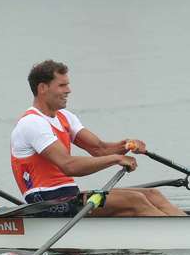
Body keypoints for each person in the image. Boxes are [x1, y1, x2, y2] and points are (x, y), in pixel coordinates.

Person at [10, 60, 185, 217]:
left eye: (67, 85)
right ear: (42, 88)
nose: (68, 90)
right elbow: (69, 165)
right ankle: (175, 236)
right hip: (46, 203)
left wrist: (127, 145)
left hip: (68, 196)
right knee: (135, 200)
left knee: (153, 194)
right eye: (62, 85)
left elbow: (99, 149)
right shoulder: (32, 123)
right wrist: (116, 159)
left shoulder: (64, 117)